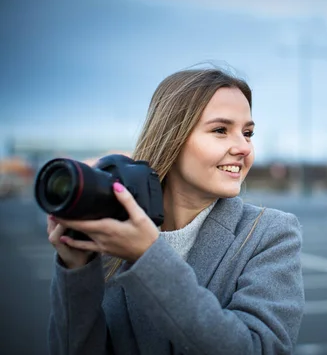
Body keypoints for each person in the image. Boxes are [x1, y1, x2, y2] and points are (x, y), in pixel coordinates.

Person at [46, 67, 305, 354]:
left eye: (248, 133)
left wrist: (148, 256)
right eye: (221, 130)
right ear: (173, 137)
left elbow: (258, 349)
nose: (244, 147)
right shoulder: (113, 233)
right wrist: (76, 270)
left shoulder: (270, 233)